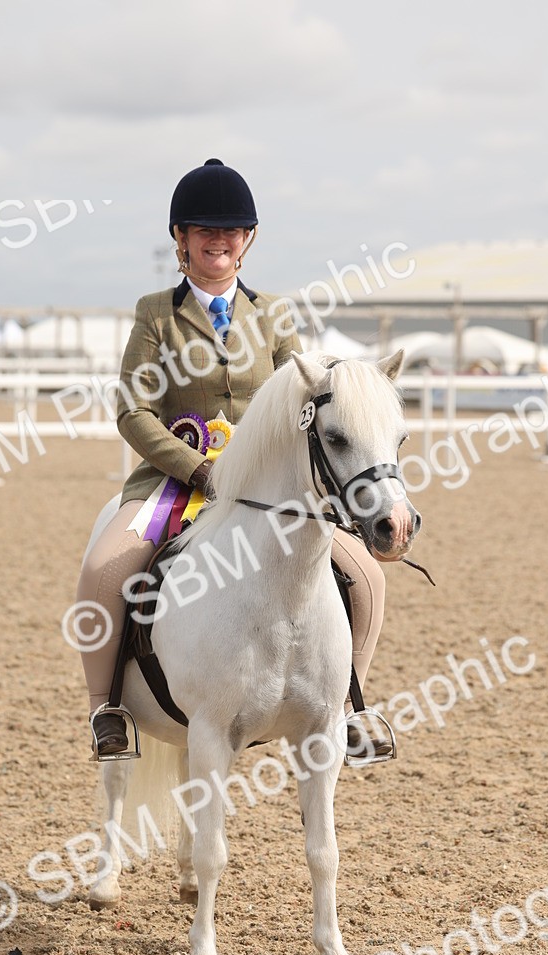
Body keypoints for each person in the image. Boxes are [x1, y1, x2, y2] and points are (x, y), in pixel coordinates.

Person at [76, 158, 388, 759]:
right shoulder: (156, 315)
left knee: (367, 576)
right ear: (181, 240)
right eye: (203, 230)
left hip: (268, 488)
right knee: (105, 571)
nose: (217, 240)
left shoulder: (273, 314)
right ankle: (107, 710)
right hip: (174, 480)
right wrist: (195, 467)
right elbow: (132, 411)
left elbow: (303, 397)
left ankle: (349, 708)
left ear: (247, 241)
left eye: (230, 231)